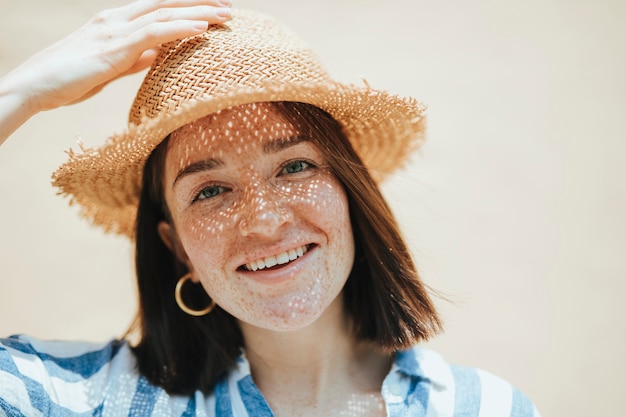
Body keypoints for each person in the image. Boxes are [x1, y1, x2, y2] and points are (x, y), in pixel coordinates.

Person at [0, 1, 542, 416]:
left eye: (294, 167)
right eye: (209, 191)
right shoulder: (92, 400)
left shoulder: (482, 407)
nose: (263, 220)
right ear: (176, 246)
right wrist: (20, 92)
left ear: (350, 191)